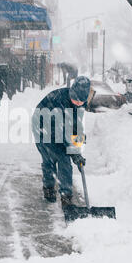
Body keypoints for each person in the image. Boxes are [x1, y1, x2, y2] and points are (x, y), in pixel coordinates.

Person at [32, 76, 91, 207]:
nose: (78, 103)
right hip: (42, 127)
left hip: (57, 129)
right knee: (54, 159)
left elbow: (76, 128)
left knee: (62, 160)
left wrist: (78, 150)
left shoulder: (79, 103)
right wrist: (74, 154)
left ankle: (59, 194)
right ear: (72, 93)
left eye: (81, 101)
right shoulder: (60, 102)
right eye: (76, 100)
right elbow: (62, 133)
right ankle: (56, 193)